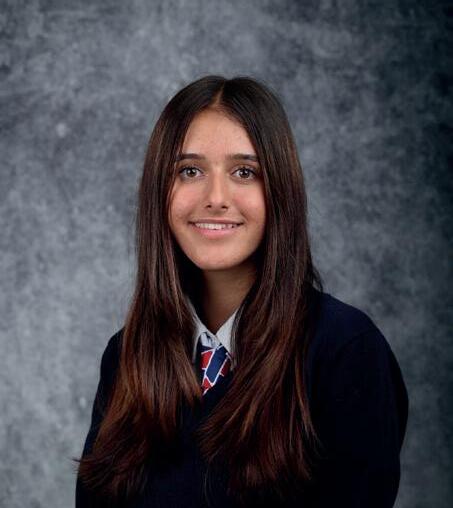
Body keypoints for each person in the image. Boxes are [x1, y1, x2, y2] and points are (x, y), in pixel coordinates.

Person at [74, 75, 409, 508]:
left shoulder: (345, 350)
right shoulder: (125, 357)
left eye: (244, 172)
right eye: (190, 170)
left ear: (280, 191)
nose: (216, 197)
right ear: (160, 190)